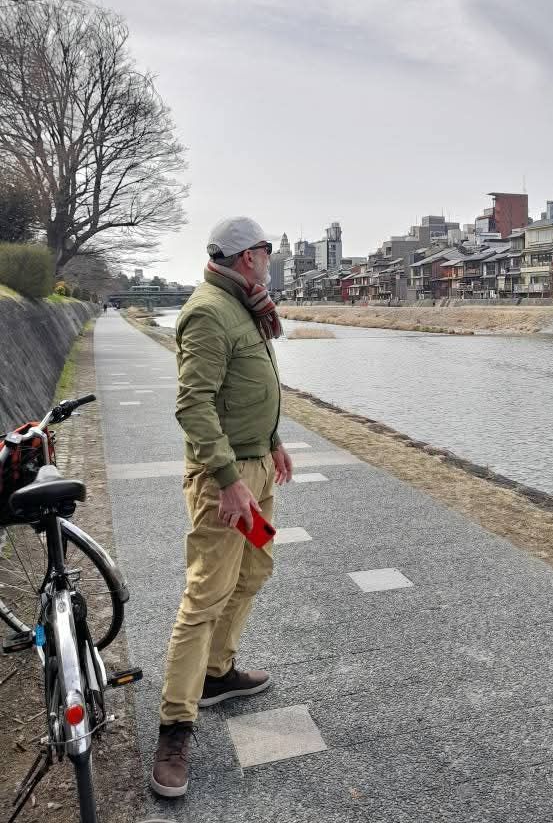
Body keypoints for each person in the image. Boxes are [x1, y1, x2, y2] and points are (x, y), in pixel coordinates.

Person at [151, 216, 292, 799]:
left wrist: (274, 441)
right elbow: (193, 405)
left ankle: (217, 673)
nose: (267, 257)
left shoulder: (245, 304)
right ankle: (174, 726)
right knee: (206, 592)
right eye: (263, 248)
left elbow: (252, 386)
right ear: (245, 256)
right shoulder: (210, 311)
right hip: (226, 483)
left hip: (255, 470)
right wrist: (228, 477)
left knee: (255, 567)